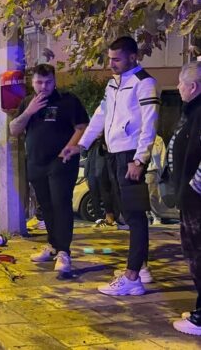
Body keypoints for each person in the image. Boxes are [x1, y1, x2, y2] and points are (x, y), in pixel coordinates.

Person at [62, 36, 159, 296]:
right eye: (109, 58)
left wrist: (139, 159)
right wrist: (80, 145)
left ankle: (132, 277)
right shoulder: (113, 83)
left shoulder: (144, 83)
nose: (111, 63)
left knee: (136, 216)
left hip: (130, 155)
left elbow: (149, 124)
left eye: (116, 59)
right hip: (115, 154)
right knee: (128, 214)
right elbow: (100, 115)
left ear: (132, 56)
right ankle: (140, 268)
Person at [10, 64, 89, 273]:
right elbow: (14, 129)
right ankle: (53, 246)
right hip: (36, 162)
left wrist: (70, 147)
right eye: (39, 82)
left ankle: (64, 252)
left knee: (61, 204)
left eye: (48, 82)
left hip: (61, 162)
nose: (43, 87)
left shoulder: (67, 100)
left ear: (54, 81)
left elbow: (82, 127)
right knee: (45, 206)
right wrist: (29, 111)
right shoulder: (28, 102)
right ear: (32, 82)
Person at [168, 62, 201, 335]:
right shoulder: (192, 112)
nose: (178, 88)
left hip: (197, 201)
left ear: (193, 87)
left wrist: (193, 187)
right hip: (191, 198)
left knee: (198, 253)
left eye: (180, 83)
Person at [146, 134, 170, 225]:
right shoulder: (138, 137)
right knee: (142, 195)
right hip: (140, 169)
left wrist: (159, 171)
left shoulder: (158, 139)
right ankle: (147, 216)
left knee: (153, 195)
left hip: (152, 170)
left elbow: (162, 157)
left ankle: (156, 217)